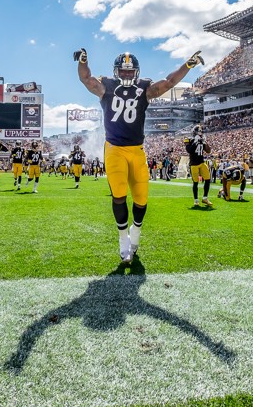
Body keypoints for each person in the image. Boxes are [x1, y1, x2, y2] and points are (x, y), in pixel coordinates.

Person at [76, 47, 203, 264]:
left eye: (129, 71)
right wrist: (83, 60)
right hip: (114, 149)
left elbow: (170, 82)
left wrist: (188, 65)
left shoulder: (144, 88)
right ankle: (123, 241)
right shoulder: (106, 86)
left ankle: (136, 234)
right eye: (123, 72)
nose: (126, 75)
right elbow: (86, 78)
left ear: (136, 72)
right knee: (118, 194)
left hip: (137, 150)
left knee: (142, 199)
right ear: (116, 72)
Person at [184, 124, 213, 206]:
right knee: (195, 182)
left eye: (201, 131)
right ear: (194, 132)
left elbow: (208, 151)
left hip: (201, 162)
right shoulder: (189, 139)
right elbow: (189, 150)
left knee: (207, 179)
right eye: (198, 131)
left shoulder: (201, 139)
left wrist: (205, 142)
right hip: (193, 164)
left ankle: (205, 198)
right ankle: (196, 200)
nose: (200, 132)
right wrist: (195, 142)